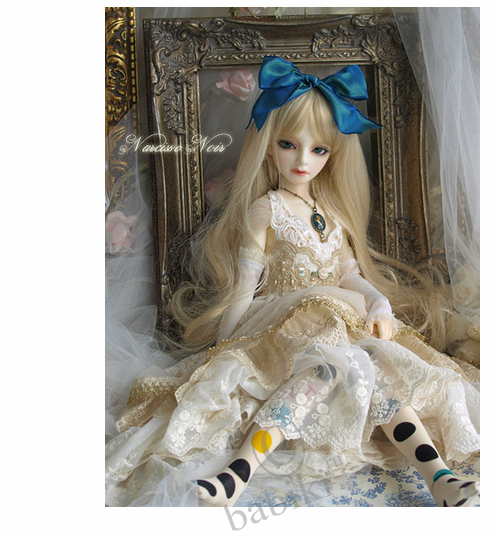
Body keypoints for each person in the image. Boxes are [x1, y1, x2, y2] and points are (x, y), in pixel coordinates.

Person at [106, 56, 479, 507]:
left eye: (319, 150)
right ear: (268, 146)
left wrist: (379, 302)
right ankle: (237, 474)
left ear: (333, 154)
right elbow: (245, 285)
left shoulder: (332, 211)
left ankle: (438, 476)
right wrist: (224, 350)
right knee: (325, 366)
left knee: (374, 369)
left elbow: (349, 273)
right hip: (286, 326)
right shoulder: (267, 208)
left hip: (342, 325)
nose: (303, 160)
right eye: (289, 144)